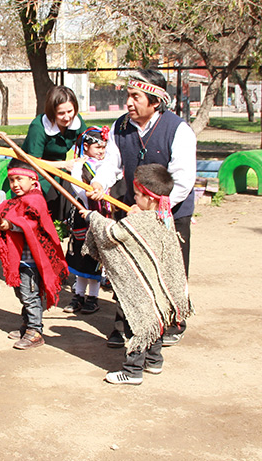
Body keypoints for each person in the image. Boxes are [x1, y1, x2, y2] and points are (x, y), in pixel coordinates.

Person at [87, 68, 196, 349]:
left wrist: (156, 210)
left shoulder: (178, 130)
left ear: (155, 101)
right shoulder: (120, 127)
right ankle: (125, 324)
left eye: (136, 97)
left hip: (170, 213)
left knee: (170, 268)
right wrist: (100, 183)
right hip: (132, 208)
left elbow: (182, 179)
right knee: (127, 267)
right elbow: (112, 163)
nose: (129, 103)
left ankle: (173, 321)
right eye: (128, 96)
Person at [82, 164, 192, 385]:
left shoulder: (138, 221)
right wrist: (136, 214)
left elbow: (112, 233)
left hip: (139, 291)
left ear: (150, 198)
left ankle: (132, 371)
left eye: (138, 195)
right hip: (161, 289)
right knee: (156, 321)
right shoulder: (164, 217)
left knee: (137, 325)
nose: (134, 197)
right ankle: (154, 361)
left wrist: (92, 217)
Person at [0, 159, 69, 350]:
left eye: (19, 179)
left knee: (30, 295)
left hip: (32, 260)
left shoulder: (35, 200)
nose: (15, 184)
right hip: (20, 260)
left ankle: (35, 331)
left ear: (33, 181)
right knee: (23, 294)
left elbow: (31, 224)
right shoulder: (14, 202)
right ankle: (27, 325)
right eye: (11, 180)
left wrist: (10, 225)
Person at [62, 126, 112, 315]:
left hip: (101, 217)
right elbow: (78, 190)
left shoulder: (108, 166)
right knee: (80, 257)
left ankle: (93, 298)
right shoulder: (78, 166)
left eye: (104, 147)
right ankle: (78, 295)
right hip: (82, 216)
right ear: (86, 146)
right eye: (98, 147)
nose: (101, 151)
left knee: (95, 258)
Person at [23, 85, 86, 220]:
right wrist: (64, 165)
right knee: (50, 196)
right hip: (34, 170)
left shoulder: (77, 121)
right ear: (52, 112)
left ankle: (69, 223)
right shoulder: (38, 127)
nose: (67, 117)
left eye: (70, 111)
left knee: (75, 188)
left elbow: (86, 143)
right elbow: (33, 161)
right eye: (61, 113)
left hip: (60, 168)